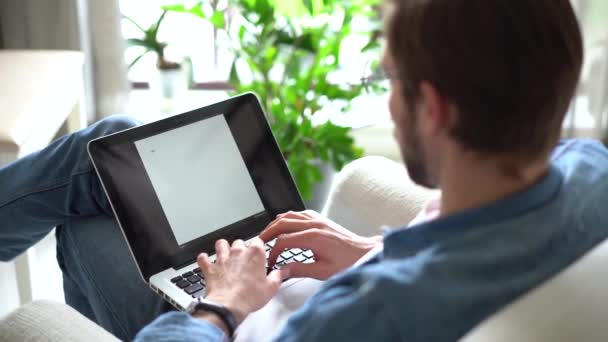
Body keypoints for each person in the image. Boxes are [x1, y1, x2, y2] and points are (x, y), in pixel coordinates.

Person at [2, 0, 608, 341]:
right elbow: (468, 247)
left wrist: (223, 306)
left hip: (234, 322)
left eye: (391, 80)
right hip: (301, 286)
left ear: (437, 109)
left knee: (86, 207)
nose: (389, 99)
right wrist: (374, 250)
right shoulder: (591, 170)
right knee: (111, 153)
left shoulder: (370, 316)